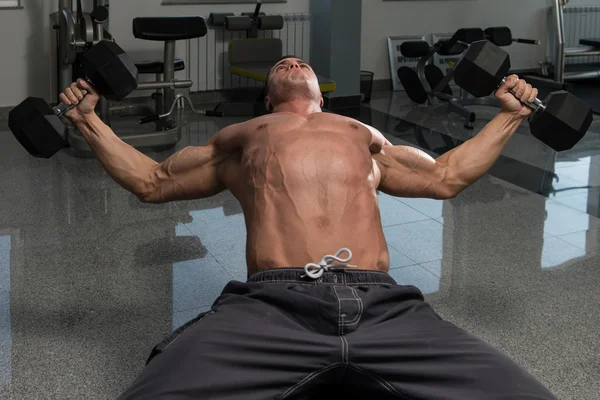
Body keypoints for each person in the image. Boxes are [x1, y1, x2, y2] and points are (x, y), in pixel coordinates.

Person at [60, 56, 557, 399]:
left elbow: (446, 176)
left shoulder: (362, 135)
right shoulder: (243, 139)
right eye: (283, 65)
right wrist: (87, 121)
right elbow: (151, 180)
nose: (292, 63)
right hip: (273, 308)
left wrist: (509, 118)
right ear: (268, 96)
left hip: (383, 306)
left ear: (322, 92)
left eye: (302, 64)